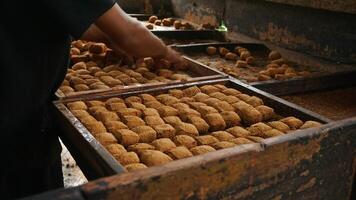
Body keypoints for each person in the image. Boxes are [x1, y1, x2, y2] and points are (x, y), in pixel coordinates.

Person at [0, 0, 184, 199]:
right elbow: (131, 33)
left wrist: (109, 37)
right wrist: (167, 53)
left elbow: (67, 16)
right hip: (15, 114)